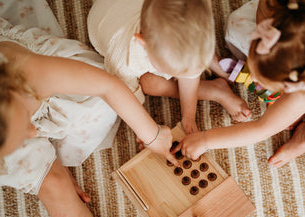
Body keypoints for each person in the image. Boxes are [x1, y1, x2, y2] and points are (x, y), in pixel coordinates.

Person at [0, 3, 180, 217]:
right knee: (46, 179)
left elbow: (109, 86)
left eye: (24, 123)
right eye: (19, 139)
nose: (34, 133)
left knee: (108, 106)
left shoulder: (24, 71)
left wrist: (153, 134)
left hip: (40, 81)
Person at [175, 0, 305, 167]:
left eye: (265, 80)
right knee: (235, 24)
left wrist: (204, 140)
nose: (256, 81)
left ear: (295, 84)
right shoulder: (279, 10)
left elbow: (263, 128)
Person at [87, 0, 252, 135]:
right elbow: (129, 103)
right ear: (143, 42)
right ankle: (214, 88)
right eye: (173, 72)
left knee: (192, 55)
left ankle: (209, 60)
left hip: (141, 11)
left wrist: (188, 117)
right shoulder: (123, 61)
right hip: (106, 18)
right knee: (150, 84)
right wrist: (148, 134)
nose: (181, 78)